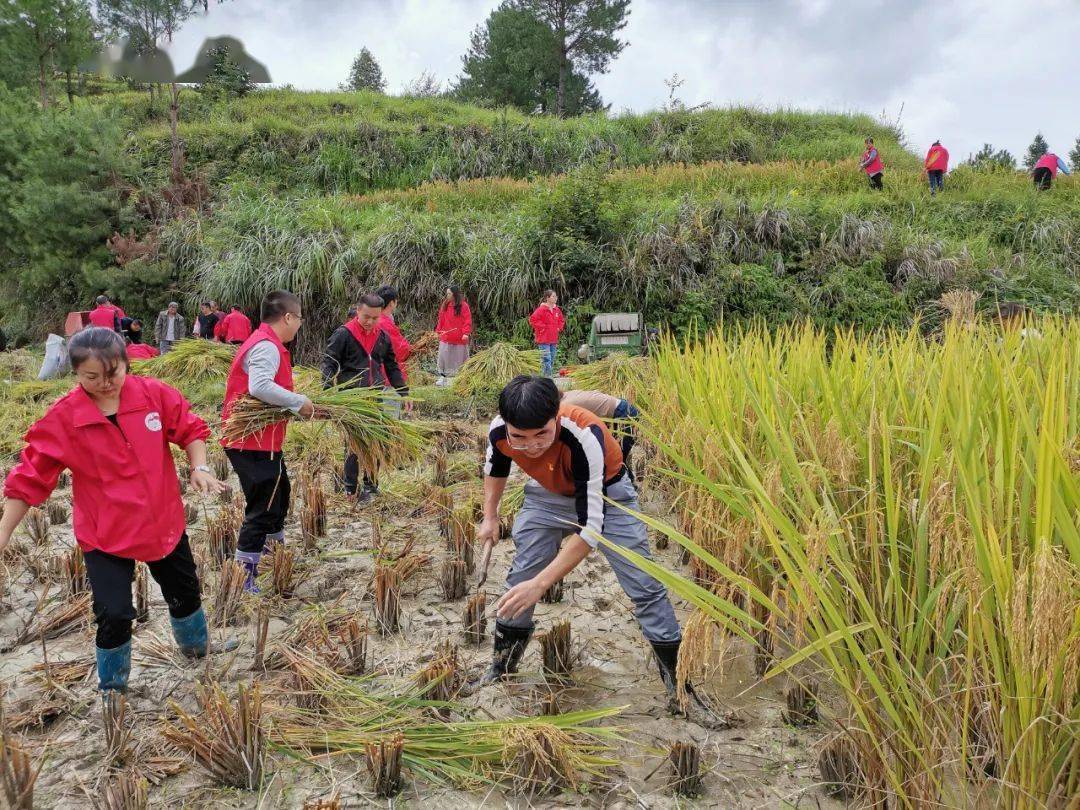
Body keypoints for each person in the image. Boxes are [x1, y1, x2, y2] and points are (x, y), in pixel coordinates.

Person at [470, 376, 719, 724]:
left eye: (541, 434)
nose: (531, 446)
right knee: (521, 578)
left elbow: (590, 530)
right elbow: (496, 468)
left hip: (608, 497)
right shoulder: (499, 431)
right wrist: (490, 516)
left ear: (556, 417)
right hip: (547, 496)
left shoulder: (585, 436)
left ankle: (679, 687)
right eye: (519, 437)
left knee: (644, 585)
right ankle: (501, 667)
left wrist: (542, 585)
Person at [0, 327, 230, 694]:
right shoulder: (65, 418)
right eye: (92, 377)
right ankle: (112, 687)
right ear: (74, 372)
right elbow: (28, 479)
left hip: (161, 521)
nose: (106, 384)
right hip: (105, 532)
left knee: (184, 591)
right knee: (114, 612)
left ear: (127, 363)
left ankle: (197, 649)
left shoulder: (153, 395)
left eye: (114, 373)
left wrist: (199, 466)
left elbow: (189, 429)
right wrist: (4, 534)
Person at [221, 291, 313, 592]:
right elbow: (259, 386)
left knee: (280, 493)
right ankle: (244, 574)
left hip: (263, 440)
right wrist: (298, 401)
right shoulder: (266, 347)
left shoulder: (267, 343)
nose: (299, 325)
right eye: (298, 318)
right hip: (250, 441)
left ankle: (274, 554)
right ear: (287, 317)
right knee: (263, 503)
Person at [321, 293, 408, 503]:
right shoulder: (344, 334)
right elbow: (329, 363)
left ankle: (371, 485)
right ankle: (350, 488)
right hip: (352, 398)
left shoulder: (382, 336)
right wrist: (328, 390)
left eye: (375, 318)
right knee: (354, 444)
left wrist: (404, 392)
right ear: (358, 310)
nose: (370, 322)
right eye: (366, 316)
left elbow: (391, 366)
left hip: (375, 396)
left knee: (374, 441)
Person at [561, 388, 640, 466]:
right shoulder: (567, 395)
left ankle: (628, 477)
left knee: (617, 460)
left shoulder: (565, 406)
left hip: (625, 413)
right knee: (614, 456)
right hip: (620, 406)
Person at [375, 285, 412, 393]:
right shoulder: (385, 324)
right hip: (387, 376)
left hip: (372, 375)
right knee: (390, 408)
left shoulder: (372, 320)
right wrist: (410, 349)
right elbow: (400, 350)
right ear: (392, 303)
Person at [435, 286, 471, 387]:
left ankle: (458, 380)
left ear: (455, 295)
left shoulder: (464, 306)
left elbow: (467, 321)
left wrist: (465, 333)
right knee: (443, 358)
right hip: (446, 337)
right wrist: (438, 331)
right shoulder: (446, 304)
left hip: (459, 339)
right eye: (447, 294)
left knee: (458, 360)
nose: (447, 296)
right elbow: (441, 318)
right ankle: (443, 378)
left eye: (449, 294)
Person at [529, 290, 565, 377]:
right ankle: (548, 378)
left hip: (553, 338)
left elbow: (561, 320)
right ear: (547, 298)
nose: (555, 298)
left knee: (551, 359)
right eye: (553, 296)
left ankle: (545, 377)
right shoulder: (541, 309)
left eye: (556, 296)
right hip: (543, 338)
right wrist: (543, 327)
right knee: (546, 359)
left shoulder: (557, 310)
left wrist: (558, 328)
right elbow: (532, 320)